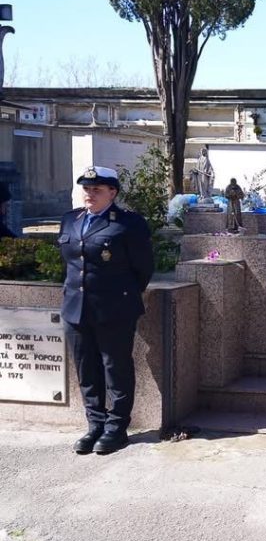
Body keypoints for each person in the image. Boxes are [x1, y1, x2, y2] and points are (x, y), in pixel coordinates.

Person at [59, 166, 154, 455]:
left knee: (116, 368)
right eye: (86, 189)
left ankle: (117, 428)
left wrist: (121, 296)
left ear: (112, 192)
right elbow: (70, 264)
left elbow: (144, 268)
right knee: (86, 369)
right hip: (76, 307)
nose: (90, 194)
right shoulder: (70, 220)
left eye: (97, 189)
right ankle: (95, 425)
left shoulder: (129, 224)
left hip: (114, 307)